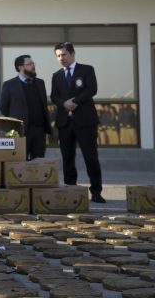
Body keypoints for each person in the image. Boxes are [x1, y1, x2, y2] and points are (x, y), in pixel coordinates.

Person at [50, 42, 105, 203]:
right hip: (65, 123)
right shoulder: (56, 75)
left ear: (73, 54)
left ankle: (96, 192)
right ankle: (70, 190)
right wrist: (63, 104)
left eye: (64, 54)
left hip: (85, 122)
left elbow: (92, 89)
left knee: (91, 157)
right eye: (58, 56)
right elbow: (54, 96)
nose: (61, 58)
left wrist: (75, 101)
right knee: (67, 158)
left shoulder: (87, 70)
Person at [0, 55, 52, 160]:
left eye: (33, 63)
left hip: (39, 131)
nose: (33, 66)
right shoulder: (9, 85)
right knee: (20, 162)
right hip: (21, 131)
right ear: (20, 67)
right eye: (29, 64)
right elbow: (4, 108)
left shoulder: (40, 83)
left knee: (38, 163)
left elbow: (44, 105)